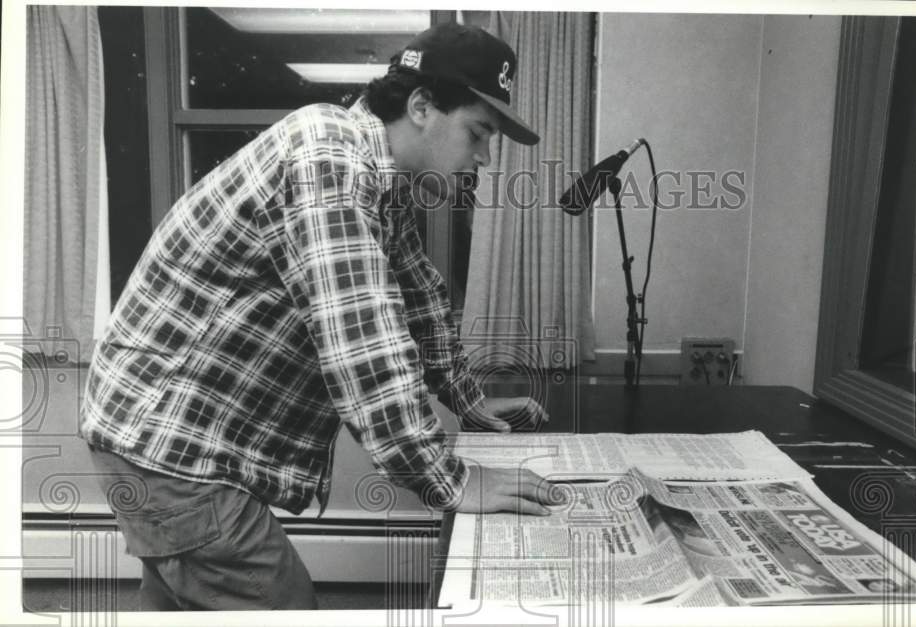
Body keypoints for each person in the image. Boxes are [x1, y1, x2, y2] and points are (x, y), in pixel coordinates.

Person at [79, 22, 559, 611]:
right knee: (281, 605)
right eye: (478, 133)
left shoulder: (380, 179)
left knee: (187, 600)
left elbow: (420, 298)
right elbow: (364, 345)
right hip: (169, 445)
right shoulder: (329, 156)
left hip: (166, 438)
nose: (484, 158)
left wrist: (467, 400)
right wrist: (454, 481)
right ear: (423, 106)